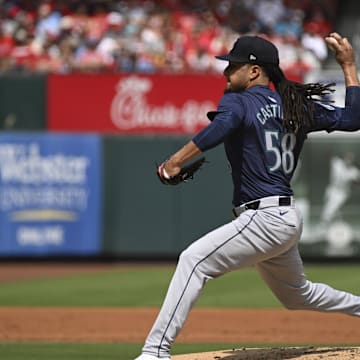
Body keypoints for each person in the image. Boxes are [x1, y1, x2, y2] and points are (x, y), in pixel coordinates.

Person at [134, 32, 360, 360]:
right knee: (298, 295)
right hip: (285, 218)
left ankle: (154, 352)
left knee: (193, 261)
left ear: (254, 71)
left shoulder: (239, 100)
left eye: (233, 66)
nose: (226, 72)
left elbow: (222, 126)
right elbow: (354, 119)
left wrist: (174, 162)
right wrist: (349, 66)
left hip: (264, 217)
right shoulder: (296, 105)